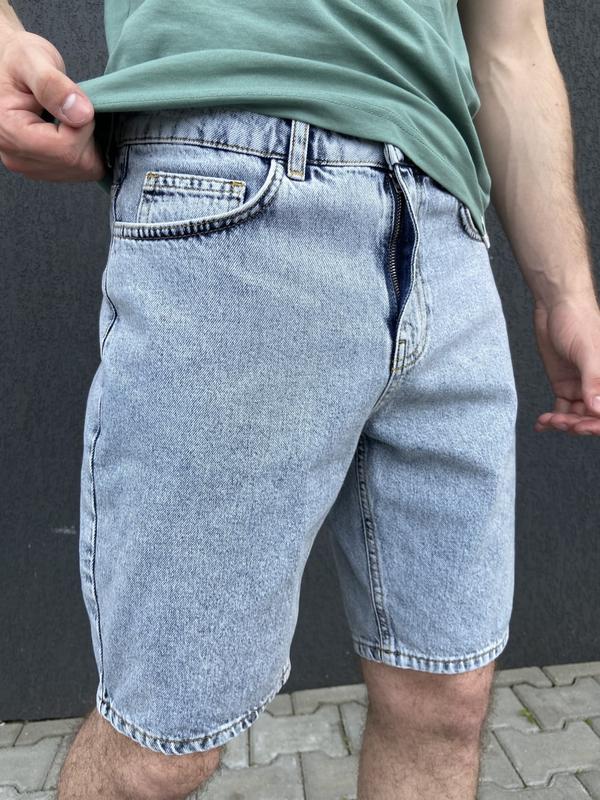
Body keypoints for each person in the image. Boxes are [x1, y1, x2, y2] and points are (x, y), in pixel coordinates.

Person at [1, 1, 599, 798]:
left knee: (446, 701)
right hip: (240, 182)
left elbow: (511, 42)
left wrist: (566, 293)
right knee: (158, 749)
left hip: (449, 231)